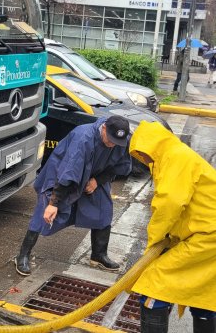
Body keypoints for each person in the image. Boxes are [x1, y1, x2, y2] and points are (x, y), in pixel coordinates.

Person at [15, 116, 132, 276]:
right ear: (104, 128)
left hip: (94, 177)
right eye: (110, 139)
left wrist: (97, 181)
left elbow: (120, 166)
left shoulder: (120, 140)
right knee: (44, 213)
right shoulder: (82, 138)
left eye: (116, 142)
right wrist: (53, 203)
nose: (112, 144)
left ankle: (98, 255)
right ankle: (22, 255)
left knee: (103, 209)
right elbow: (68, 172)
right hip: (61, 176)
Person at [129, 121, 216, 333]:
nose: (143, 158)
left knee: (153, 282)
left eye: (142, 152)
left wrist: (154, 243)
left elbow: (170, 203)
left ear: (152, 145)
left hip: (207, 237)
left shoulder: (175, 157)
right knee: (202, 290)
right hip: (205, 235)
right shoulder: (170, 157)